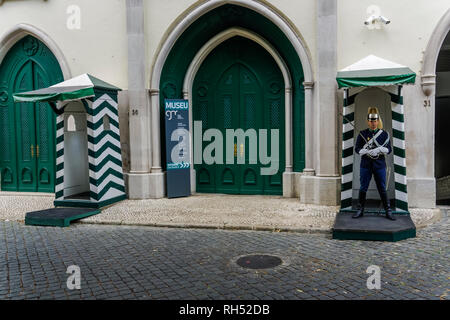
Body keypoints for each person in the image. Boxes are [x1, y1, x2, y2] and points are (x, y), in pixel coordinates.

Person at [353, 107, 395, 221]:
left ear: (378, 121)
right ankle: (360, 210)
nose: (373, 123)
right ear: (368, 121)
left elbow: (389, 150)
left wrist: (380, 149)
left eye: (375, 121)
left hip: (379, 165)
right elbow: (357, 149)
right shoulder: (362, 133)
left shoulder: (384, 134)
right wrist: (365, 151)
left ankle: (388, 210)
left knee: (382, 188)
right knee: (363, 187)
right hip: (365, 165)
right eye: (371, 121)